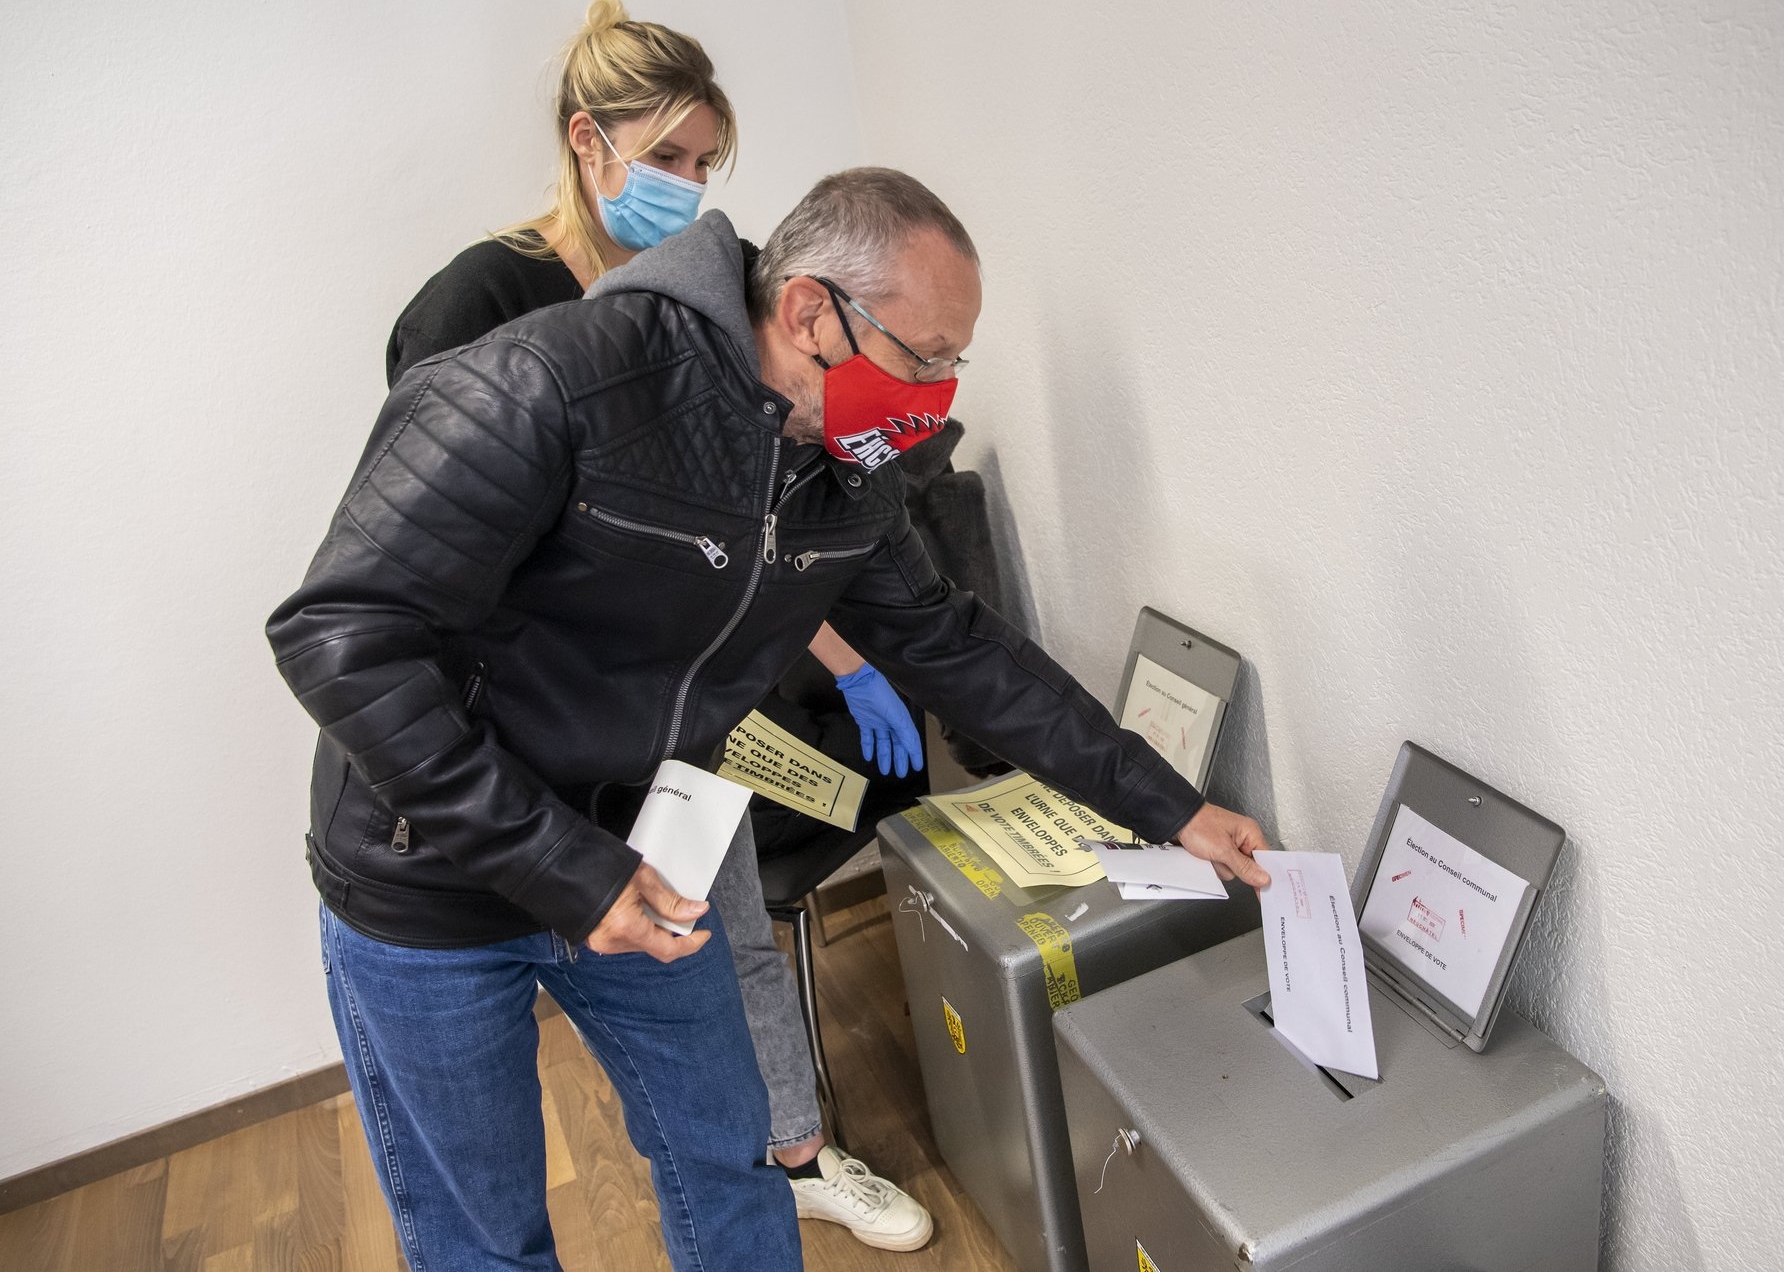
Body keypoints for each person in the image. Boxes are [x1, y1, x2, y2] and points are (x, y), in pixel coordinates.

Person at [268, 165, 1271, 1272]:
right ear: (808, 311)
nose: (936, 393)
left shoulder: (842, 471)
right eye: (922, 357)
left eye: (953, 364)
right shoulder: (548, 383)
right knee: (482, 1243)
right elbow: (340, 633)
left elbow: (954, 645)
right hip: (431, 876)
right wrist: (560, 866)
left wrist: (1169, 806)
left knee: (731, 1161)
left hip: (647, 856)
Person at [381, 0, 932, 1250]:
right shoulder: (481, 303)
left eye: (702, 166)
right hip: (515, 749)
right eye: (669, 159)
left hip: (674, 728)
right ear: (591, 143)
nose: (689, 190)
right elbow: (418, 563)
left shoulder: (697, 308)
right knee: (486, 1165)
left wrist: (849, 663)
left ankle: (791, 1150)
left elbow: (748, 534)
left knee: (727, 946)